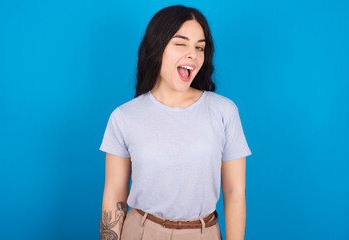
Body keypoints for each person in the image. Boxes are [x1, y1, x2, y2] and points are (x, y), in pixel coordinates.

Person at [99, 5, 252, 240]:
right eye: (181, 43)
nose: (193, 54)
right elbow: (114, 195)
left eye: (199, 47)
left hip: (204, 233)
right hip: (140, 232)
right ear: (157, 47)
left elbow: (234, 193)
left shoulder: (224, 111)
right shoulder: (124, 116)